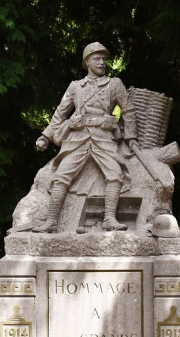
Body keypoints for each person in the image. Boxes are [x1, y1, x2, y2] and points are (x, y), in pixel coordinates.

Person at [33, 42, 139, 233]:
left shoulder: (114, 84)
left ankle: (109, 219)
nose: (102, 62)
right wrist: (45, 137)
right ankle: (51, 222)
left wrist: (131, 137)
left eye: (104, 59)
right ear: (87, 62)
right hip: (78, 138)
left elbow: (128, 111)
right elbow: (60, 113)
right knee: (60, 177)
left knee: (115, 175)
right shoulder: (75, 87)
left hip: (104, 137)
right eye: (97, 59)